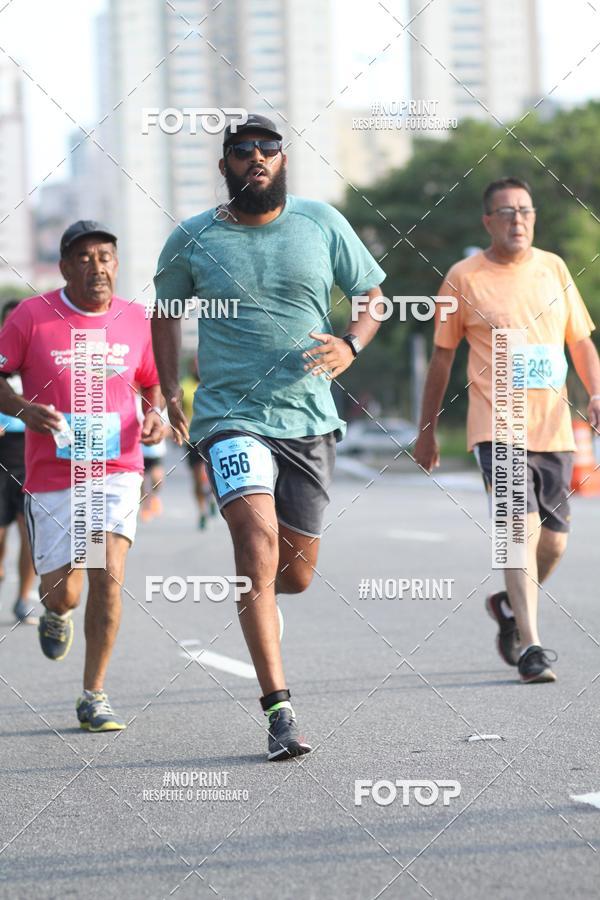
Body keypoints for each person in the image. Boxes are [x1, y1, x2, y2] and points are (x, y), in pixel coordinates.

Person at [152, 113, 385, 759]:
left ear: (283, 160)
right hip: (231, 417)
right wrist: (170, 391)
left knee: (297, 574)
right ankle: (279, 709)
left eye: (268, 150)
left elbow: (373, 294)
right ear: (225, 165)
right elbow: (165, 314)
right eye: (243, 151)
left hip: (309, 418)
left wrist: (351, 343)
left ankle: (261, 604)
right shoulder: (192, 237)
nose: (257, 158)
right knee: (255, 546)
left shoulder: (321, 223)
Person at [414, 176, 600, 684]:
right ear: (487, 222)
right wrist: (426, 430)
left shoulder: (554, 268)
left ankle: (510, 607)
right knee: (519, 529)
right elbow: (441, 361)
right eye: (506, 212)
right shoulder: (462, 277)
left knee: (555, 542)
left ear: (534, 217)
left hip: (554, 426)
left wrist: (595, 392)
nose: (517, 220)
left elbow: (580, 343)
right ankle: (532, 647)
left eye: (525, 211)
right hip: (497, 425)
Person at [0, 220, 163, 730]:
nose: (98, 267)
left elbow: (153, 382)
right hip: (52, 473)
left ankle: (94, 693)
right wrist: (24, 409)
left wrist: (156, 414)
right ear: (66, 266)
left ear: (117, 263)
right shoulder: (31, 316)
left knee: (108, 574)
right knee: (65, 591)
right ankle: (56, 611)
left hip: (115, 468)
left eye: (106, 256)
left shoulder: (138, 320)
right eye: (86, 258)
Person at [0, 299, 38, 625]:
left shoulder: (37, 359)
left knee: (29, 530)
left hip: (30, 455)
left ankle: (24, 597)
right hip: (1, 455)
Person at [180, 361, 215, 529]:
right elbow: (178, 411)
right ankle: (202, 511)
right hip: (192, 438)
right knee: (197, 478)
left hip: (212, 435)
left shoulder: (212, 382)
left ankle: (213, 496)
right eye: (195, 366)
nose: (198, 369)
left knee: (213, 475)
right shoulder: (184, 385)